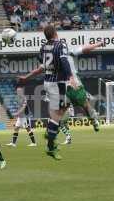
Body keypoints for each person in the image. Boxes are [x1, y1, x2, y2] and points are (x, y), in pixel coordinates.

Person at [18, 24, 77, 160]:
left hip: (48, 82)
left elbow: (42, 67)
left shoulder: (43, 48)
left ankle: (51, 133)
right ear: (56, 33)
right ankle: (50, 144)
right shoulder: (61, 45)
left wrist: (26, 77)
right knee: (58, 114)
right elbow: (64, 61)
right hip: (58, 83)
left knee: (62, 110)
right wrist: (71, 77)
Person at [65, 42, 103, 132]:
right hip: (62, 86)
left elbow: (85, 49)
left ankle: (93, 119)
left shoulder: (69, 52)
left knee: (85, 106)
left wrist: (98, 44)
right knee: (60, 111)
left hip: (74, 83)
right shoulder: (53, 57)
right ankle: (53, 136)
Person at [6, 83, 37, 147]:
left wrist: (17, 113)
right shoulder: (17, 98)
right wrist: (17, 113)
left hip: (24, 117)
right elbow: (19, 107)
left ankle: (34, 143)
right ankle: (13, 143)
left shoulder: (24, 98)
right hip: (20, 117)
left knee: (28, 129)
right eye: (17, 91)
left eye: (19, 91)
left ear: (21, 91)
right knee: (16, 128)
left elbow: (23, 108)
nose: (18, 92)